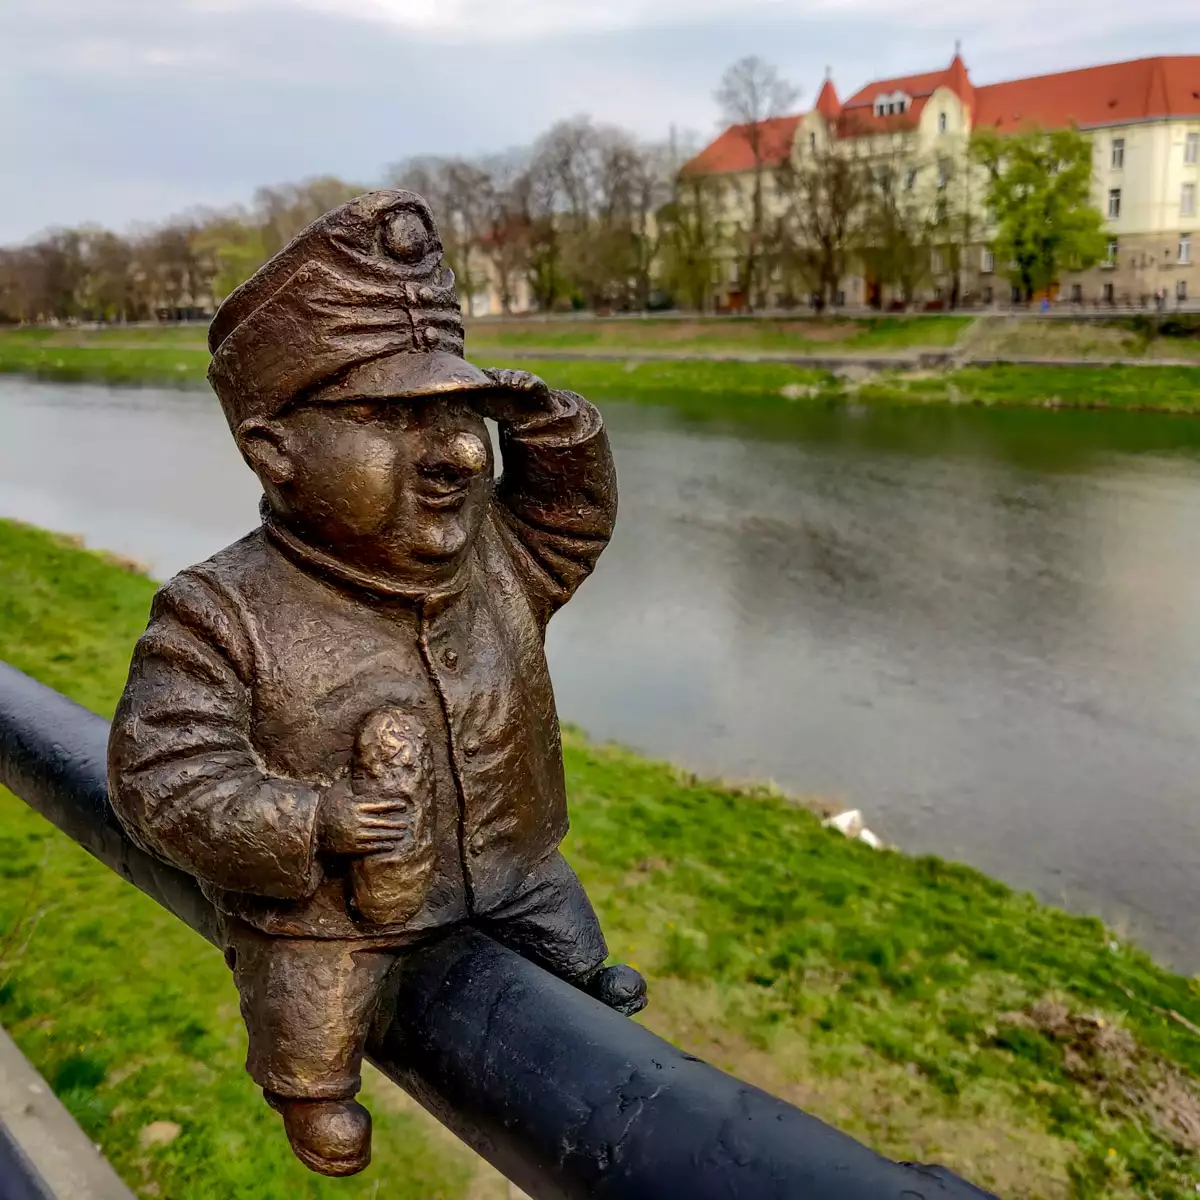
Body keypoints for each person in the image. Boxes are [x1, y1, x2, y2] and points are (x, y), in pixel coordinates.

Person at [108, 190, 646, 1178]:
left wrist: (552, 421)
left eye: (460, 416)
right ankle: (307, 1092)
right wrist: (317, 822)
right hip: (332, 913)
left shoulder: (496, 560)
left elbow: (573, 519)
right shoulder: (218, 613)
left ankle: (577, 991)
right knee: (311, 1008)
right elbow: (164, 782)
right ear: (274, 454)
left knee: (579, 962)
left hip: (515, 863)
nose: (449, 455)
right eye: (391, 419)